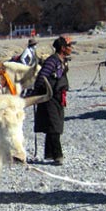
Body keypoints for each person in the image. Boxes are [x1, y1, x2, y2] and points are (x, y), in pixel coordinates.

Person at [33, 35, 74, 165]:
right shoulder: (52, 61)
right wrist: (44, 92)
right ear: (62, 48)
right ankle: (58, 156)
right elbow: (41, 78)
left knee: (54, 125)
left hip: (58, 98)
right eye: (69, 46)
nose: (71, 48)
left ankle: (49, 153)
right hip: (50, 98)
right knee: (54, 126)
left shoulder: (62, 61)